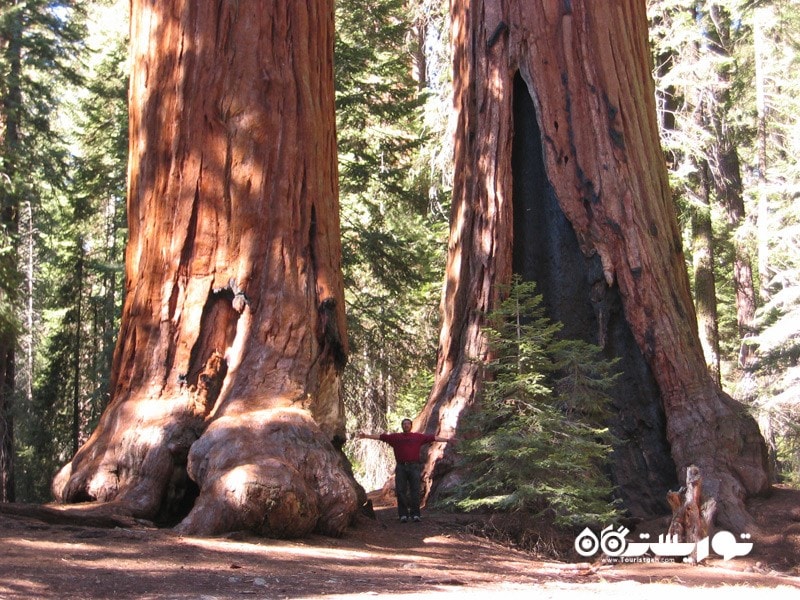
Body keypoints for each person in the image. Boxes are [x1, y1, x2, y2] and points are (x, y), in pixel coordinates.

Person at [357, 418, 454, 523]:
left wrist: (448, 440)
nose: (406, 425)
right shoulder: (395, 437)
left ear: (411, 426)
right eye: (404, 424)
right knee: (401, 491)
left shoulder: (418, 437)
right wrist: (366, 436)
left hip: (414, 467)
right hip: (401, 467)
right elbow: (381, 437)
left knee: (415, 490)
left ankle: (415, 514)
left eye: (408, 424)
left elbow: (433, 438)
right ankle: (403, 515)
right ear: (402, 426)